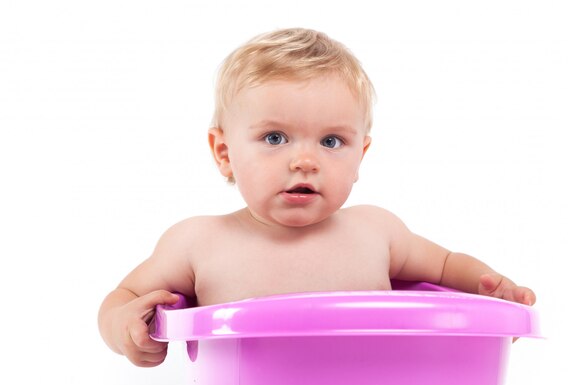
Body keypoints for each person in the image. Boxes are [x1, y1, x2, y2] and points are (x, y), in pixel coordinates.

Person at [98, 28, 536, 367]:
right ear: (224, 153)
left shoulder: (376, 230)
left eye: (331, 141)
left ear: (360, 154)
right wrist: (124, 327)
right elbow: (123, 296)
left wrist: (494, 289)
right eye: (275, 137)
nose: (305, 160)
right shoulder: (197, 242)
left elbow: (445, 267)